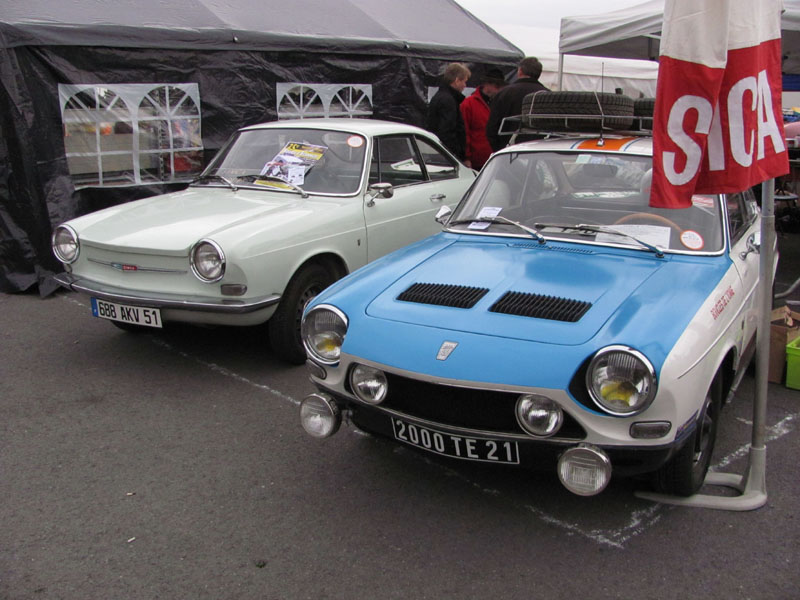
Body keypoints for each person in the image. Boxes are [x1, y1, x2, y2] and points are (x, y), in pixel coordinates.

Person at [485, 56, 549, 152]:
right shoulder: (548, 96)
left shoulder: (503, 94)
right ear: (539, 73)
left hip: (509, 152)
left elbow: (492, 128)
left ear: (520, 71)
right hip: (539, 152)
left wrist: (500, 150)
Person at [459, 68, 506, 170]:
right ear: (487, 84)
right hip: (477, 162)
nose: (499, 90)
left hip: (497, 159)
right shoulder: (468, 104)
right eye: (497, 86)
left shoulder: (500, 103)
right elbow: (464, 133)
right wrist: (466, 157)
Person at [426, 62, 471, 164]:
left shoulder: (439, 96)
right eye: (464, 81)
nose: (465, 86)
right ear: (456, 81)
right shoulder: (449, 101)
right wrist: (458, 156)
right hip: (448, 156)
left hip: (438, 152)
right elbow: (448, 131)